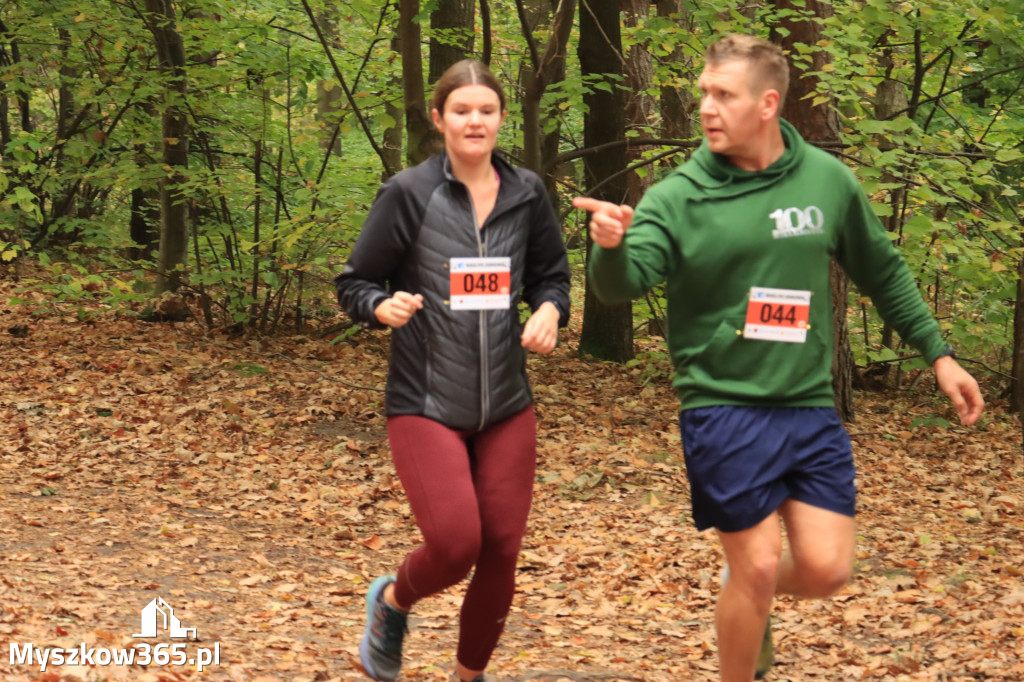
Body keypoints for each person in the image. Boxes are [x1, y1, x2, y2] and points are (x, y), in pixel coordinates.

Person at [574, 33, 983, 682]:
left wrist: (940, 355)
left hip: (807, 406)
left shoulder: (826, 181)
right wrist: (611, 245)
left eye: (723, 95)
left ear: (767, 104)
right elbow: (620, 285)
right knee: (759, 564)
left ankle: (749, 605)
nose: (707, 107)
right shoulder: (679, 196)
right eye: (704, 92)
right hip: (722, 405)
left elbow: (883, 271)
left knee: (826, 571)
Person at [335, 59, 571, 682]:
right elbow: (355, 281)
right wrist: (379, 306)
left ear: (500, 119)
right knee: (457, 545)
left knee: (500, 550)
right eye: (462, 110)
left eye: (487, 111)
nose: (475, 121)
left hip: (507, 405)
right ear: (440, 119)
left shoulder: (527, 194)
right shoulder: (409, 193)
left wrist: (549, 308)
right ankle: (392, 603)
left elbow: (553, 277)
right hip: (425, 401)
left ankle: (469, 676)